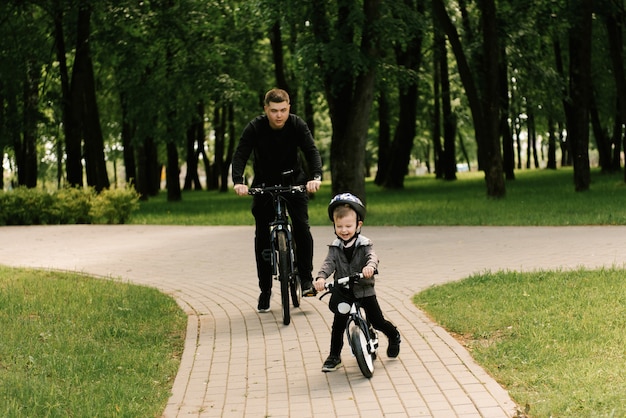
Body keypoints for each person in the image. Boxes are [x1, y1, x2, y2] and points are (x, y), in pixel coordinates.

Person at [232, 88, 323, 313]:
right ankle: (265, 290)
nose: (279, 115)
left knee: (302, 227)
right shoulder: (255, 127)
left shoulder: (297, 125)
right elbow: (240, 154)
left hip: (294, 180)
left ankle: (306, 279)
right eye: (273, 111)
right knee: (262, 233)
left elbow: (311, 151)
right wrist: (238, 181)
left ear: (289, 108)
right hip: (264, 183)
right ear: (266, 109)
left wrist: (316, 177)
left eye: (283, 110)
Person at [314, 193, 401, 372]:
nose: (344, 230)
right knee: (338, 325)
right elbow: (328, 264)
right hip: (344, 291)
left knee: (377, 321)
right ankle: (334, 356)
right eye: (339, 226)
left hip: (364, 290)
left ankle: (394, 335)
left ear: (358, 225)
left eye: (348, 226)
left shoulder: (364, 244)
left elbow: (372, 257)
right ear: (334, 225)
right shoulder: (335, 247)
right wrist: (321, 277)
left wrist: (370, 266)